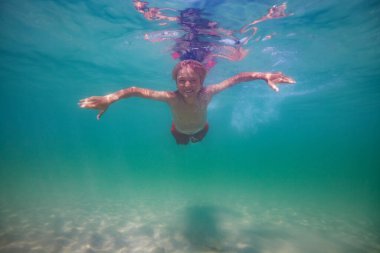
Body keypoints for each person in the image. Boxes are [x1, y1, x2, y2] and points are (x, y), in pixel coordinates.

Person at [79, 60, 295, 145]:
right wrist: (110, 98)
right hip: (178, 130)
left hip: (202, 128)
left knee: (198, 140)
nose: (188, 85)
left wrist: (264, 75)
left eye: (193, 80)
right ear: (176, 82)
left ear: (202, 82)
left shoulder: (208, 93)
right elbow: (136, 91)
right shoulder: (171, 97)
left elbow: (237, 78)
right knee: (183, 145)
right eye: (182, 80)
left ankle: (195, 140)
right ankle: (183, 146)